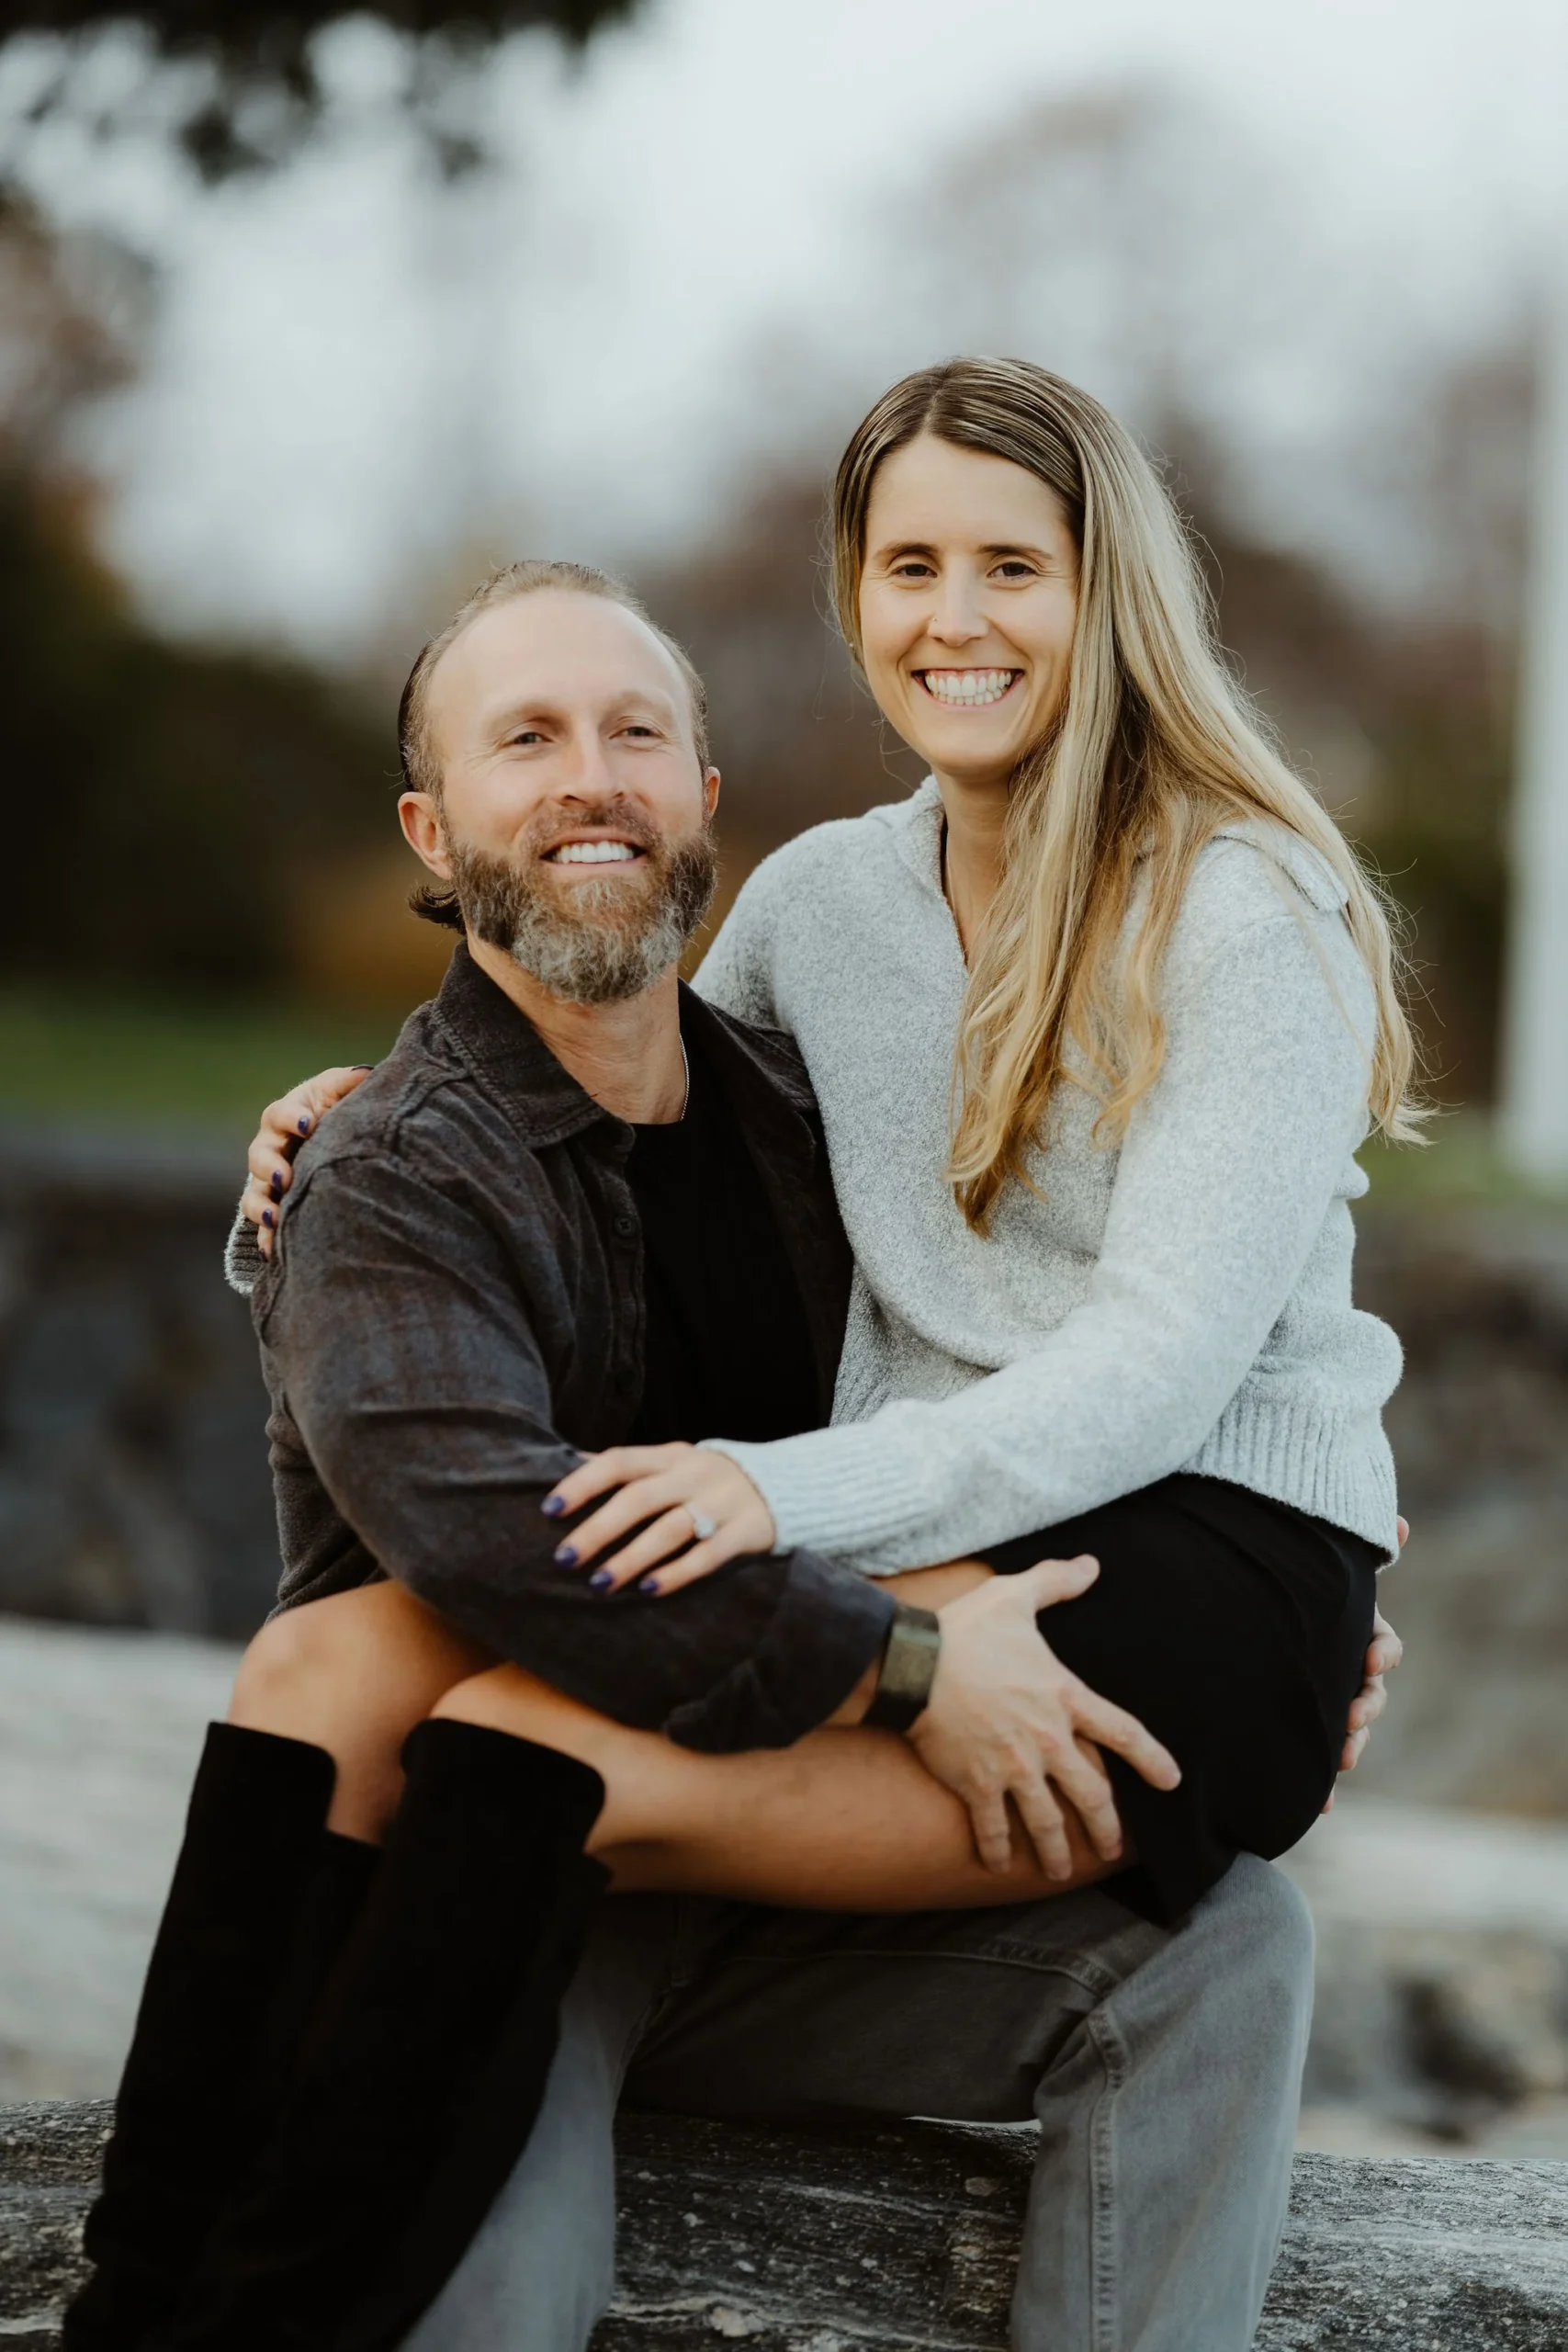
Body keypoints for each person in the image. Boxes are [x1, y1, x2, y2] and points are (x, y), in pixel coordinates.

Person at [70, 353, 1408, 2352]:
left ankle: (236, 2304)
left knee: (519, 1750)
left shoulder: (1237, 907)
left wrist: (772, 1499)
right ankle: (184, 2279)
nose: (956, 618)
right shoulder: (823, 900)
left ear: (1105, 588)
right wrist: (346, 1146)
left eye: (1014, 566)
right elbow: (640, 1081)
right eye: (911, 566)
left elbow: (1156, 1360)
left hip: (1187, 1544)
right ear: (854, 595)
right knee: (334, 1670)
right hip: (932, 1537)